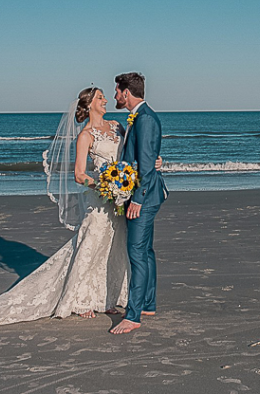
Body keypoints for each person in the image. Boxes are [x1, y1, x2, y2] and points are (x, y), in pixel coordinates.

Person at [0, 87, 131, 334]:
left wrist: (131, 178)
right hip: (100, 197)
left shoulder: (116, 126)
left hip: (119, 197)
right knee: (90, 243)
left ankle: (108, 297)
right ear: (89, 104)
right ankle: (81, 299)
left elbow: (130, 157)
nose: (105, 100)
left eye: (104, 97)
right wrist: (103, 184)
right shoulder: (85, 135)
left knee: (113, 244)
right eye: (100, 97)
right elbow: (79, 175)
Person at [110, 72, 168, 335]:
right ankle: (148, 304)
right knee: (146, 251)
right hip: (148, 193)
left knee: (136, 253)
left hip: (144, 197)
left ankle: (133, 316)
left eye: (117, 91)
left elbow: (145, 163)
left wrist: (137, 200)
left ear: (127, 92)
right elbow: (148, 156)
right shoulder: (141, 117)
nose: (115, 96)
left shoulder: (144, 118)